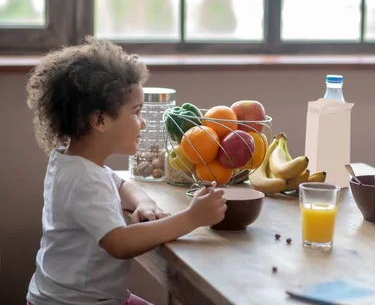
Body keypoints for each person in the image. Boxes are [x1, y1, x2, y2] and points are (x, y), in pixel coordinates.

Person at [25, 37, 228, 304]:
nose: (143, 123)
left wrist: (144, 202)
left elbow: (121, 185)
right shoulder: (83, 179)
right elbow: (119, 243)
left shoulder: (72, 162)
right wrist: (192, 218)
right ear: (99, 120)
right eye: (136, 112)